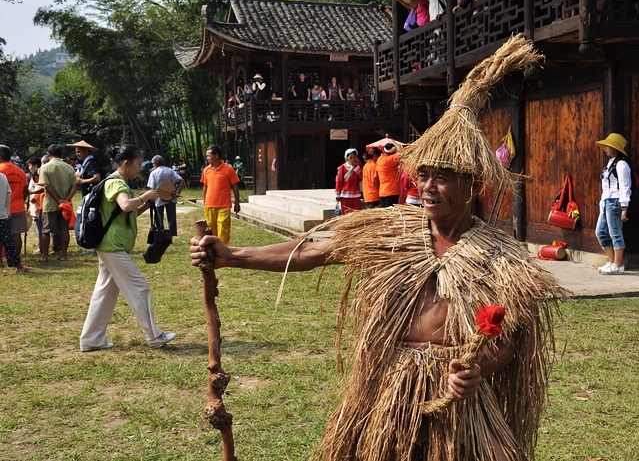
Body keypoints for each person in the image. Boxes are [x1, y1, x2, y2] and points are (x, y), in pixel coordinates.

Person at [190, 35, 565, 461]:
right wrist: (233, 256)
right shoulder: (392, 231)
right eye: (422, 175)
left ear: (473, 185)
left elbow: (511, 336)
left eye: (442, 177)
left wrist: (479, 369)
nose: (427, 186)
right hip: (389, 389)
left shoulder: (501, 256)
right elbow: (314, 250)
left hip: (457, 397)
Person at [79, 144, 177, 352]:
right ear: (126, 163)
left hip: (109, 246)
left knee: (104, 293)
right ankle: (154, 335)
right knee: (139, 288)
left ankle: (91, 339)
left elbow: (125, 214)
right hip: (113, 247)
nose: (139, 168)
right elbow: (125, 205)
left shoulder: (117, 182)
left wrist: (143, 205)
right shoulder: (116, 183)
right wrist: (144, 197)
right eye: (138, 164)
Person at [595, 133, 631, 275]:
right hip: (606, 201)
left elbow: (624, 186)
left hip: (616, 201)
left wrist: (624, 207)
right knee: (600, 231)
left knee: (615, 233)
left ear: (616, 148)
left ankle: (618, 264)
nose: (605, 148)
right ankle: (612, 261)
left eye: (609, 146)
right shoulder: (610, 163)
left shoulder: (621, 164)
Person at [38, 144, 77, 262]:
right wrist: (66, 198)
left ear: (48, 155)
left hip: (50, 203)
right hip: (66, 204)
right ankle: (63, 255)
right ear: (61, 155)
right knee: (64, 230)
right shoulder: (69, 167)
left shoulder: (45, 168)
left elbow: (46, 186)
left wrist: (57, 199)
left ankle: (45, 256)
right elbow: (74, 185)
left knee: (46, 230)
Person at [200, 145, 240, 245]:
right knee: (211, 231)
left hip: (224, 206)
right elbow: (205, 187)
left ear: (217, 156)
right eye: (207, 156)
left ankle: (223, 252)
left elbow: (235, 186)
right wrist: (205, 202)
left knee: (222, 229)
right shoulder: (206, 170)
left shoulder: (228, 169)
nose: (207, 158)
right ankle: (214, 252)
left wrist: (237, 203)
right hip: (210, 205)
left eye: (209, 156)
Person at [69, 140, 102, 244]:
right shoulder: (86, 163)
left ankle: (92, 242)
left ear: (86, 152)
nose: (77, 154)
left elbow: (97, 178)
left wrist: (82, 181)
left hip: (93, 196)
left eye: (79, 152)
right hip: (89, 195)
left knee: (91, 218)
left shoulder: (91, 163)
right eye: (76, 152)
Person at [0, 145, 29, 257]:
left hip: (2, 209)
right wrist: (21, 200)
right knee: (17, 234)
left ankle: (1, 260)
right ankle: (16, 258)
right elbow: (25, 191)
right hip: (18, 207)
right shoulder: (20, 171)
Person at [146, 155, 185, 236]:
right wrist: (178, 192)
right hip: (171, 197)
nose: (153, 165)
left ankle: (161, 234)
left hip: (159, 198)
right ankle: (171, 235)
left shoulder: (153, 173)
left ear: (156, 163)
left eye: (153, 164)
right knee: (171, 217)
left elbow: (152, 187)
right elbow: (182, 180)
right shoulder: (171, 171)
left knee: (159, 218)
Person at [0, 171, 30, 273]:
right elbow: (8, 194)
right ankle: (18, 266)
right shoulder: (3, 177)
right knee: (8, 241)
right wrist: (6, 211)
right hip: (2, 215)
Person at [335, 148, 363, 214]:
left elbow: (361, 177)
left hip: (356, 194)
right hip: (345, 195)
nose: (353, 159)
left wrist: (356, 167)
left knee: (357, 213)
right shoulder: (342, 167)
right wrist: (337, 195)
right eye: (350, 157)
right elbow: (339, 181)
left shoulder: (359, 166)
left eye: (354, 157)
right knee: (346, 213)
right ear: (347, 158)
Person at [376, 140, 402, 207]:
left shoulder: (380, 159)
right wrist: (394, 142)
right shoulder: (389, 160)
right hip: (391, 192)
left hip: (382, 191)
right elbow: (402, 152)